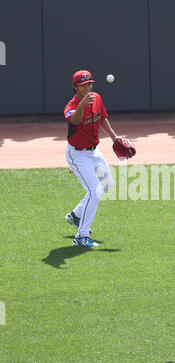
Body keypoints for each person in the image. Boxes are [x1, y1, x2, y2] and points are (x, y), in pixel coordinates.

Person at [64, 70, 118, 247]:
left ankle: (75, 215)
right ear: (75, 87)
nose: (87, 88)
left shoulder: (96, 98)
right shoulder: (70, 107)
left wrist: (114, 138)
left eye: (90, 84)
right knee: (94, 191)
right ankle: (81, 237)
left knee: (107, 185)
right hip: (78, 155)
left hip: (94, 151)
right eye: (83, 85)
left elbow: (102, 118)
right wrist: (81, 105)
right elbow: (75, 121)